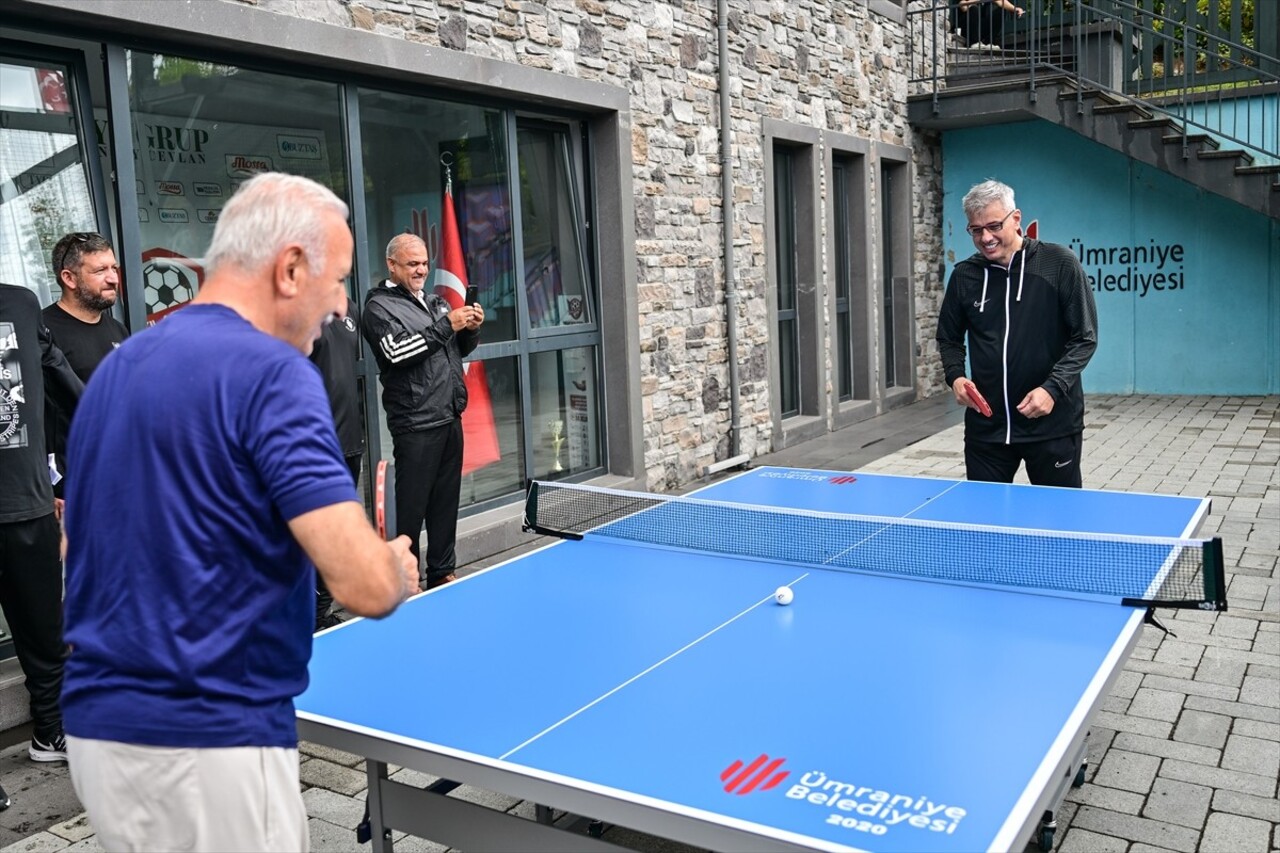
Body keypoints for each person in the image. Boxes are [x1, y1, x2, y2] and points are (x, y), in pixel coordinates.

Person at [60, 172, 419, 853]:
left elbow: (79, 540)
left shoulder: (119, 366)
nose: (343, 304)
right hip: (210, 740)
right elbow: (362, 584)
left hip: (100, 733)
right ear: (289, 268)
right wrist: (394, 565)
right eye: (339, 278)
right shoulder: (274, 374)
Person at [936, 179, 1098, 488]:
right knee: (986, 525)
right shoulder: (965, 276)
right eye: (976, 230)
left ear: (1016, 218)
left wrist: (1052, 389)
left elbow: (1084, 337)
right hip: (987, 431)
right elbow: (949, 338)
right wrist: (955, 376)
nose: (986, 237)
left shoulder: (1059, 263)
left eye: (994, 226)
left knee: (1058, 524)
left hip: (1052, 426)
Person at [361, 233, 483, 591]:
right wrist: (449, 324)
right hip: (415, 424)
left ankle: (442, 572)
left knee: (445, 504)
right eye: (412, 263)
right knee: (411, 509)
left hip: (449, 417)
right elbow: (397, 353)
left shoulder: (435, 302)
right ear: (392, 265)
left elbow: (457, 349)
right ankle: (403, 579)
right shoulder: (378, 307)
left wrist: (470, 328)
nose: (421, 270)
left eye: (425, 263)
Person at [0, 281, 84, 766]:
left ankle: (50, 733)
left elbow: (54, 371)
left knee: (45, 635)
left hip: (29, 507)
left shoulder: (20, 302)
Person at [41, 232, 129, 508]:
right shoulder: (41, 331)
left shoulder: (118, 330)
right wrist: (46, 488)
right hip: (69, 490)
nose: (113, 277)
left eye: (113, 268)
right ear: (69, 278)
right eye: (100, 270)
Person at [309, 294, 364, 629]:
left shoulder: (349, 306)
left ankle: (321, 610)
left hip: (350, 442)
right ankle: (308, 614)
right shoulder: (298, 307)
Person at [953, 0, 1024, 48]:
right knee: (974, 9)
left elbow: (1000, 1)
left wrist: (1014, 8)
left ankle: (989, 43)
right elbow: (963, 7)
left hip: (978, 27)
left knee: (1002, 11)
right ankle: (974, 43)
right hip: (964, 28)